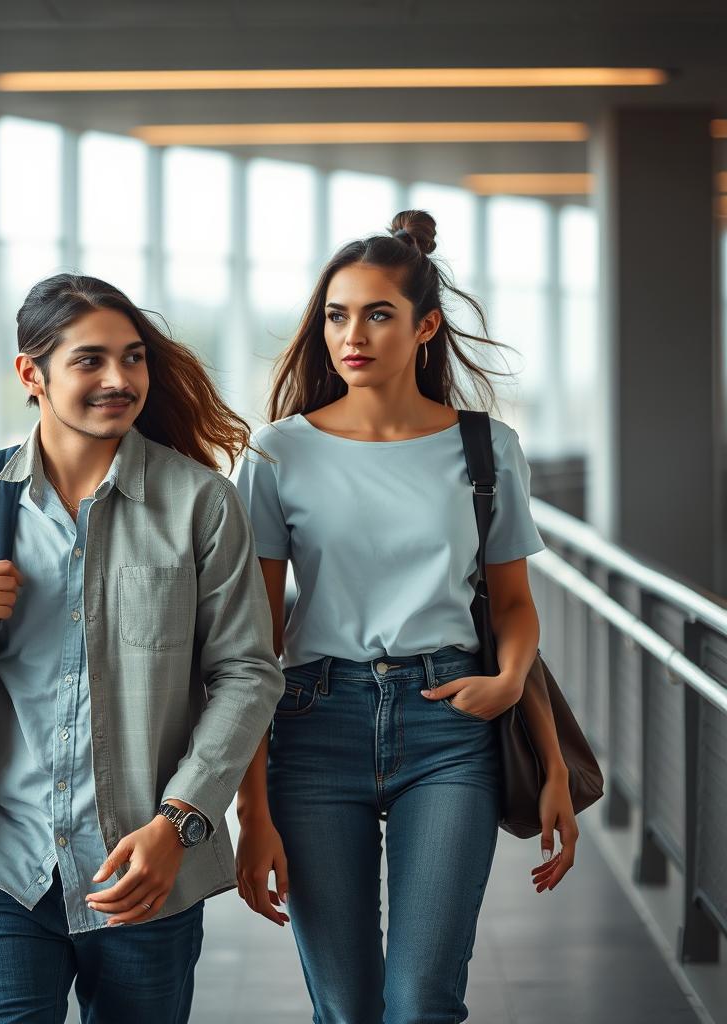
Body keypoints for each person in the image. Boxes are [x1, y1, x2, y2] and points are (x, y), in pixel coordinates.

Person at [0, 273, 284, 1024]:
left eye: (133, 359)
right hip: (5, 869)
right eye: (90, 361)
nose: (119, 380)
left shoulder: (201, 503)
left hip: (147, 873)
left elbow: (247, 675)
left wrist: (179, 825)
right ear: (30, 374)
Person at [233, 212, 578, 1024]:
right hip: (313, 724)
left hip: (451, 723)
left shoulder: (485, 448)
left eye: (378, 314)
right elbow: (253, 640)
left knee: (423, 1000)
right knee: (348, 1008)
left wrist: (522, 706)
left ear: (424, 326)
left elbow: (515, 606)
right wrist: (250, 808)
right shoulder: (278, 453)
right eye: (336, 315)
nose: (352, 335)